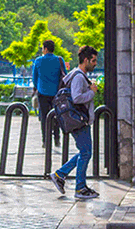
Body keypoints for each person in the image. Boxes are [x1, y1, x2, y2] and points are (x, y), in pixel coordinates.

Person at [49, 45, 100, 199]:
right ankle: (79, 188)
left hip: (78, 120)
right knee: (86, 153)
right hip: (79, 121)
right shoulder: (78, 76)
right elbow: (77, 98)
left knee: (85, 152)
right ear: (85, 60)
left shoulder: (76, 75)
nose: (95, 63)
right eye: (93, 61)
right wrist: (92, 92)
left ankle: (61, 175)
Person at [32, 40, 67, 148]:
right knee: (56, 115)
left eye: (42, 48)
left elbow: (34, 78)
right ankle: (57, 139)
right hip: (56, 94)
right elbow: (65, 75)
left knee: (44, 117)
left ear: (45, 49)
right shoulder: (59, 60)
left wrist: (39, 87)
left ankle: (45, 141)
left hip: (42, 93)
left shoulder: (38, 61)